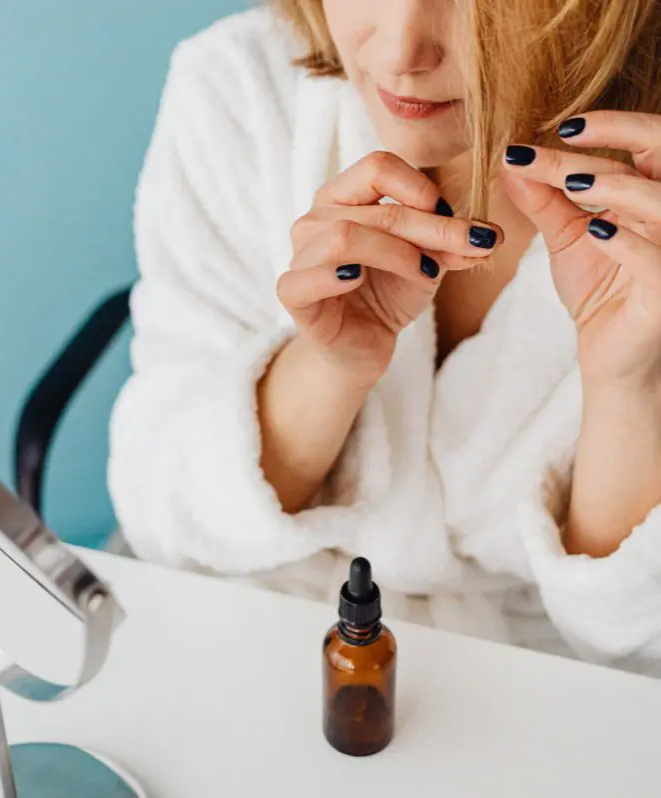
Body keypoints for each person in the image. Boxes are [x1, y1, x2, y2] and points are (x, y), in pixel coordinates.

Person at [108, 0, 661, 675]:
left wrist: (627, 381)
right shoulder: (242, 86)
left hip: (542, 678)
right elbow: (159, 507)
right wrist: (328, 365)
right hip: (246, 619)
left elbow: (635, 640)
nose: (402, 52)